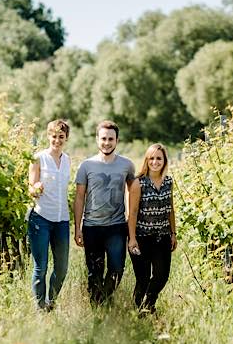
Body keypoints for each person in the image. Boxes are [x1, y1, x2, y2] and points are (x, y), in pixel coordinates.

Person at [74, 120, 136, 305]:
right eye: (103, 139)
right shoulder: (86, 166)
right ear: (97, 139)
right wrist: (77, 228)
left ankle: (103, 299)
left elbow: (134, 193)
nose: (106, 143)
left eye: (111, 139)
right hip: (92, 227)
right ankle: (97, 310)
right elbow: (79, 198)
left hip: (116, 227)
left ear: (117, 140)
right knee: (95, 271)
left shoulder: (127, 165)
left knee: (117, 269)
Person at [27, 120, 72, 311]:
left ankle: (51, 301)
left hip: (62, 220)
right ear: (48, 136)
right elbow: (31, 186)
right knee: (41, 267)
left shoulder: (68, 160)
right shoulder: (38, 158)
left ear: (66, 138)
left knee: (61, 269)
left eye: (61, 137)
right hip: (41, 218)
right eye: (54, 136)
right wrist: (35, 189)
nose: (57, 140)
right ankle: (40, 307)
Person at [127, 143, 177, 313]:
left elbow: (170, 208)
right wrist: (132, 238)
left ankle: (148, 302)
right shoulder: (138, 183)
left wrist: (173, 233)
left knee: (162, 276)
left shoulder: (169, 182)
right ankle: (141, 310)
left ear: (164, 161)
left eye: (159, 158)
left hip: (162, 236)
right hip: (141, 237)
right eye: (151, 158)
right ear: (146, 161)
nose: (155, 162)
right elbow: (132, 213)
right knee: (142, 278)